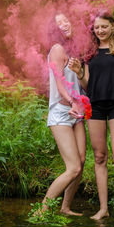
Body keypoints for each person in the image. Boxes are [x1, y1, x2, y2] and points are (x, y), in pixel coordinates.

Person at [69, 10, 114, 223]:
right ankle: (103, 209)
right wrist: (80, 73)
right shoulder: (89, 52)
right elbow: (88, 85)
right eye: (97, 27)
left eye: (104, 26)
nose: (100, 30)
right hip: (95, 107)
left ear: (113, 26)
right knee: (99, 157)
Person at [41, 13, 86, 216]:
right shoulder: (57, 50)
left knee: (82, 161)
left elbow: (80, 81)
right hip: (61, 111)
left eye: (66, 20)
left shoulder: (75, 49)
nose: (64, 24)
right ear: (54, 29)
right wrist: (72, 102)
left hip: (76, 111)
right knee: (73, 167)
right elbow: (59, 84)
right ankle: (40, 212)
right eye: (59, 22)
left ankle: (65, 207)